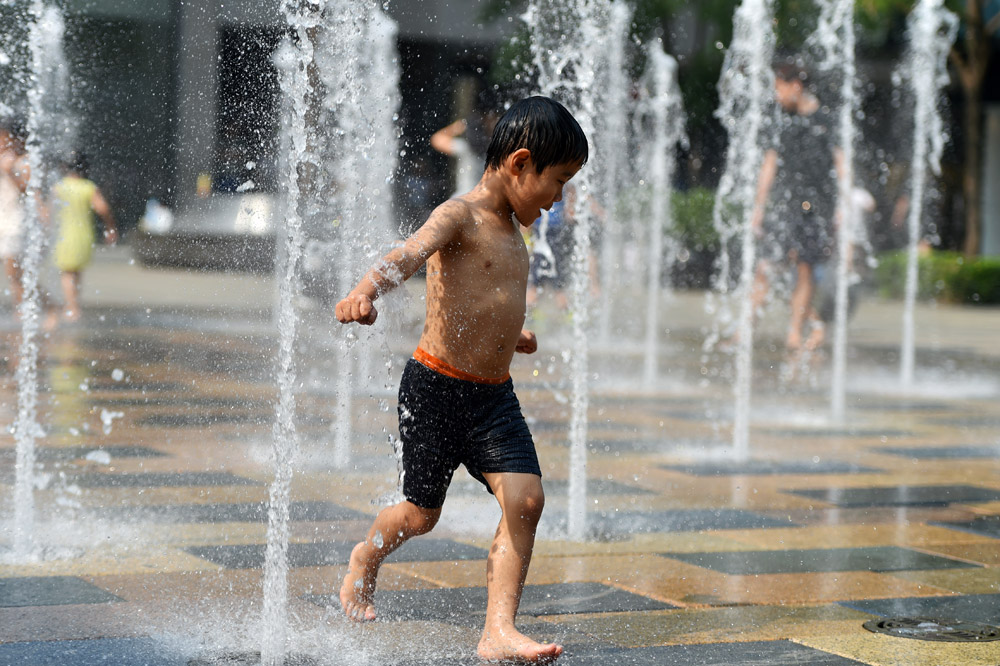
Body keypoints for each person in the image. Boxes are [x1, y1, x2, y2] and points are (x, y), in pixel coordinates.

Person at [335, 96, 587, 664]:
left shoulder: (513, 228)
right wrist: (364, 293)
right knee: (420, 515)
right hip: (436, 389)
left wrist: (509, 334)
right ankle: (366, 557)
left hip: (493, 395)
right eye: (559, 181)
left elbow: (487, 295)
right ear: (521, 164)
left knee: (525, 500)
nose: (559, 199)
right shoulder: (460, 215)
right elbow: (406, 255)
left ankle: (498, 630)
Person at [750, 61, 842, 352]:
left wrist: (843, 205)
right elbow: (769, 164)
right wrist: (759, 206)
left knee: (804, 269)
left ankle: (795, 333)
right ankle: (745, 332)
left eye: (778, 88)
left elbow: (841, 161)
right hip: (786, 204)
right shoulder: (779, 119)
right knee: (765, 267)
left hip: (818, 206)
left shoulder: (826, 119)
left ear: (795, 86)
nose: (776, 96)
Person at [49, 152, 118, 322]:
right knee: (77, 272)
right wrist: (110, 227)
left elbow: (48, 213)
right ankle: (74, 305)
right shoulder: (88, 187)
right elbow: (103, 209)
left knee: (66, 273)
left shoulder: (58, 187)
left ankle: (72, 308)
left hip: (64, 235)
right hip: (83, 235)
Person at [0, 119, 29, 312]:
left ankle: (25, 313)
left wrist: (10, 173)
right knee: (14, 275)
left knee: (14, 275)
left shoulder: (23, 161)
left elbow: (27, 189)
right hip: (4, 223)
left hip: (15, 224)